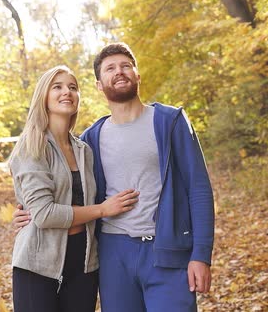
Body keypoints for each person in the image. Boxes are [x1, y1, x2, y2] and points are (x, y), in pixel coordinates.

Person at [13, 43, 215, 312]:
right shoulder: (91, 140)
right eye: (110, 68)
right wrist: (26, 211)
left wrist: (201, 254)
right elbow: (59, 190)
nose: (119, 72)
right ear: (99, 85)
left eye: (125, 66)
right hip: (112, 257)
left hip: (166, 252)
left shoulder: (170, 122)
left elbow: (199, 190)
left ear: (137, 75)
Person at [7, 65, 139, 312]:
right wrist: (102, 210)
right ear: (43, 97)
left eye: (73, 87)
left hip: (84, 265)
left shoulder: (84, 150)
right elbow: (44, 214)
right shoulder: (32, 146)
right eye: (57, 87)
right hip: (38, 265)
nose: (66, 92)